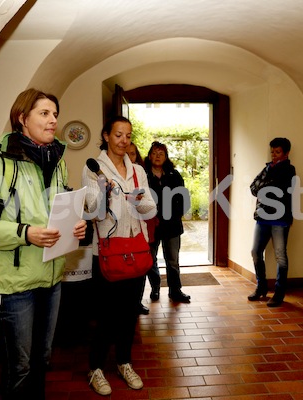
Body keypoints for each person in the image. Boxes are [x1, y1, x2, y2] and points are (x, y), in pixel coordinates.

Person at [0, 88, 87, 399]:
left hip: (52, 277)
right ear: (22, 118)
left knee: (41, 361)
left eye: (54, 114)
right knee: (19, 368)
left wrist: (75, 224)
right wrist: (24, 233)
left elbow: (55, 211)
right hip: (15, 285)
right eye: (44, 114)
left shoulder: (57, 160)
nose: (53, 120)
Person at [82, 116, 156, 396]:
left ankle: (124, 363)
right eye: (118, 135)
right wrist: (103, 192)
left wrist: (137, 199)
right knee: (105, 317)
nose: (124, 141)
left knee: (129, 315)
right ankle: (96, 369)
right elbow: (92, 212)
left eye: (128, 136)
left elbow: (149, 210)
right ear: (106, 136)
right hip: (107, 254)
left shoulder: (138, 169)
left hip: (136, 252)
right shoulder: (93, 168)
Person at [248, 137, 296, 307]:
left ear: (286, 153)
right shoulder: (267, 167)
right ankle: (261, 287)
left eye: (277, 152)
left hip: (280, 219)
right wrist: (266, 186)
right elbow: (253, 188)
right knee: (255, 252)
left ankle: (279, 293)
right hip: (262, 216)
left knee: (280, 256)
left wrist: (265, 186)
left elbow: (277, 191)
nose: (274, 155)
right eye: (272, 152)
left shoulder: (289, 170)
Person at [144, 141, 191, 303]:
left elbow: (184, 198)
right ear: (150, 156)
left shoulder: (174, 175)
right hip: (151, 225)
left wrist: (176, 214)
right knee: (150, 261)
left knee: (173, 261)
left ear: (166, 157)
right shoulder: (143, 175)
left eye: (161, 154)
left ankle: (175, 290)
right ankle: (155, 287)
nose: (157, 157)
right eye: (155, 153)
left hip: (172, 225)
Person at [127, 142, 150, 315]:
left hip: (143, 230)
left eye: (133, 154)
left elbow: (150, 207)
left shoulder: (140, 174)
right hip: (119, 238)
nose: (129, 157)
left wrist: (139, 201)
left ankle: (137, 301)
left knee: (142, 267)